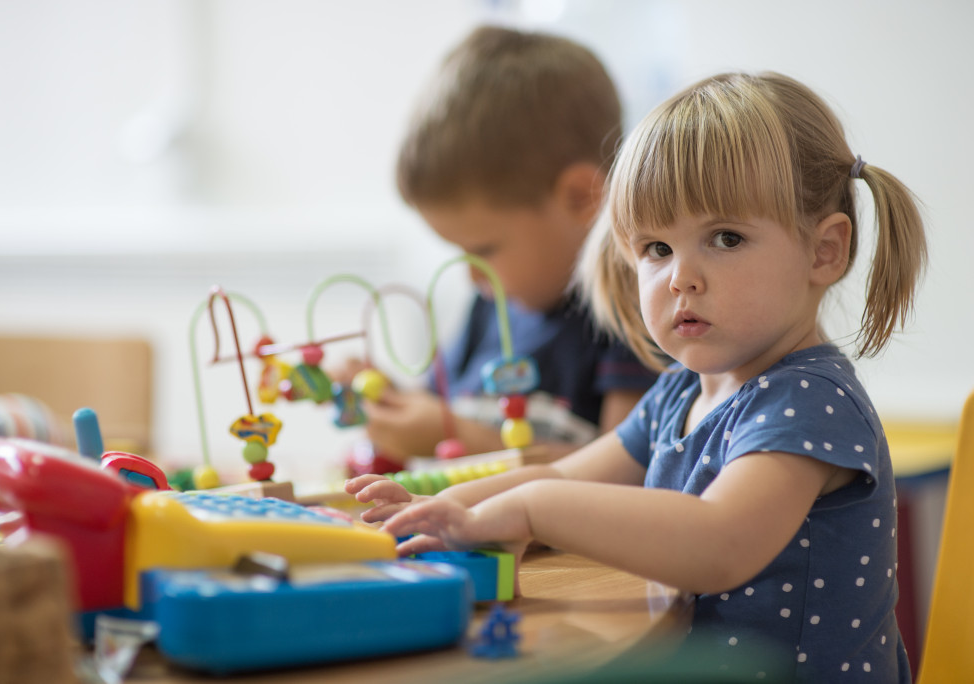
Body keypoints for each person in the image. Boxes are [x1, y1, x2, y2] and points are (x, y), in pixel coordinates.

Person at [346, 71, 927, 682]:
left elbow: (719, 544)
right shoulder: (681, 390)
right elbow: (559, 473)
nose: (681, 277)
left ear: (824, 251)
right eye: (656, 248)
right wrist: (442, 510)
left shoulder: (809, 401)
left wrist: (533, 511)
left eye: (725, 238)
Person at [337, 25, 657, 466]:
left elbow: (630, 474)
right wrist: (387, 402)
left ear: (582, 198)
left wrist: (458, 437)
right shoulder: (488, 307)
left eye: (483, 250)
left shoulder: (635, 310)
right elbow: (436, 412)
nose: (471, 274)